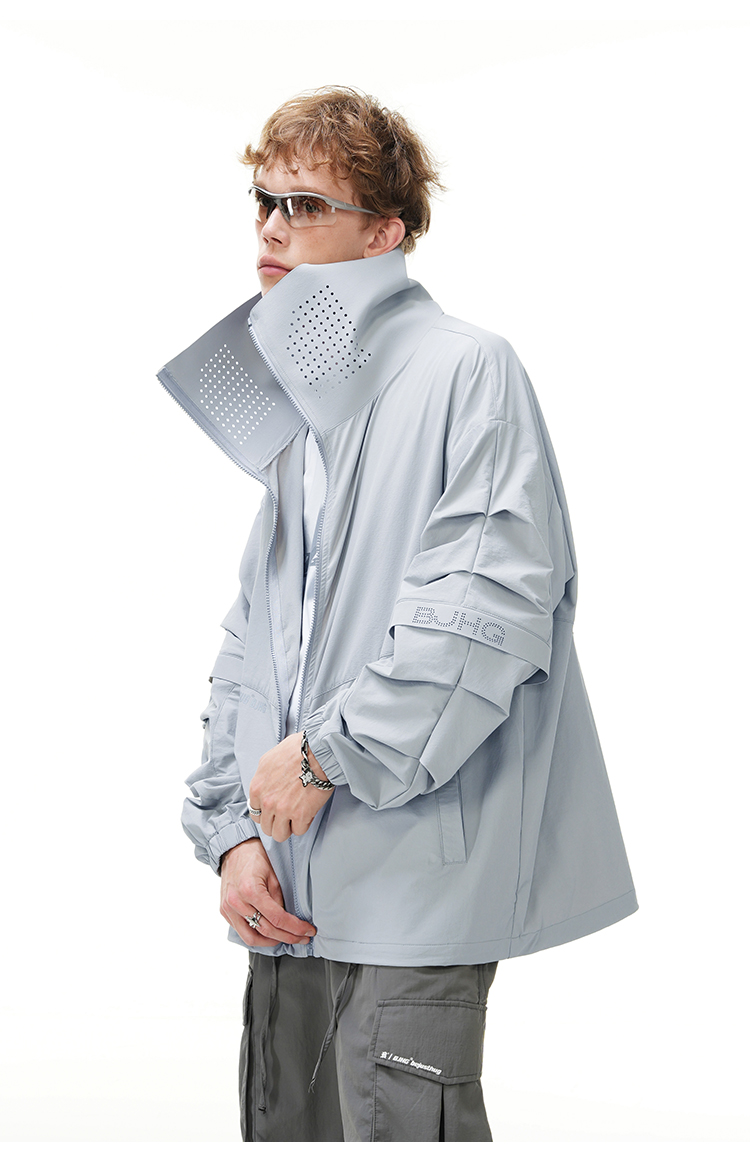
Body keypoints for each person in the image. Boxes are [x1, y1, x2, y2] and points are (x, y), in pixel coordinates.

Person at [158, 87, 638, 1143]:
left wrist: (325, 755)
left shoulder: (465, 367)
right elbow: (254, 636)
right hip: (284, 883)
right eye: (263, 200)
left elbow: (487, 603)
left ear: (387, 233)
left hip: (414, 871)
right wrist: (231, 831)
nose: (272, 227)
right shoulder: (300, 408)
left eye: (306, 204)